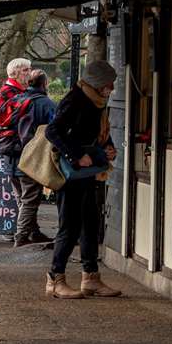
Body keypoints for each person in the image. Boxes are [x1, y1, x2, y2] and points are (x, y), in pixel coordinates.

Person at [44, 61, 122, 299]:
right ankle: (55, 279)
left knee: (90, 222)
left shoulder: (97, 102)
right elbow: (52, 131)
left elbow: (97, 133)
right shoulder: (75, 100)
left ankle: (91, 277)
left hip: (87, 174)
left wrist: (107, 148)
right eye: (108, 84)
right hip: (71, 175)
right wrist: (77, 155)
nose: (111, 88)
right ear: (97, 83)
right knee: (70, 225)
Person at [11, 69, 56, 247]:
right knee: (30, 199)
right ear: (44, 84)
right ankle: (21, 237)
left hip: (11, 156)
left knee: (21, 197)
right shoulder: (46, 104)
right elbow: (56, 129)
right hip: (32, 157)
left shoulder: (15, 100)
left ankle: (33, 232)